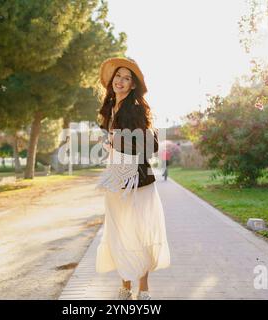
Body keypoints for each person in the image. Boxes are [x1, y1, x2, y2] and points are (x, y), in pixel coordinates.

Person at [95, 57, 170, 300]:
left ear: (133, 85)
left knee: (141, 232)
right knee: (119, 232)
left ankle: (144, 290)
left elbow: (153, 144)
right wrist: (109, 142)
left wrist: (120, 141)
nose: (121, 81)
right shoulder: (109, 109)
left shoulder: (136, 108)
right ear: (112, 80)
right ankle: (125, 287)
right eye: (118, 76)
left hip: (138, 180)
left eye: (127, 78)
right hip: (116, 177)